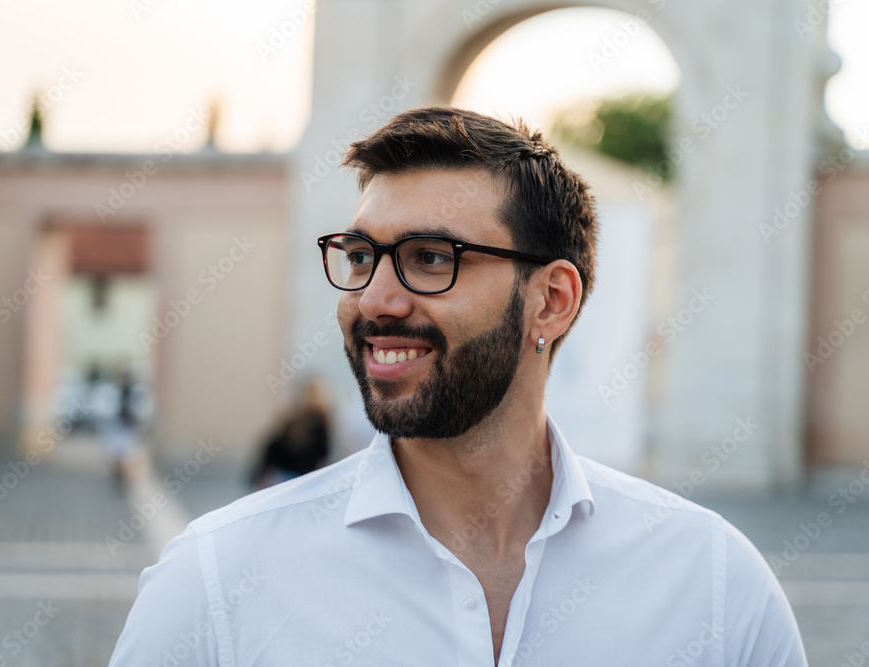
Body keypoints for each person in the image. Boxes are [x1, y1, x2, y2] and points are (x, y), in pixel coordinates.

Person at [110, 108, 807, 666]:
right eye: (359, 256)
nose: (375, 300)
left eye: (430, 258)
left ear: (552, 300)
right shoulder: (216, 579)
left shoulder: (712, 583)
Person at [248, 379, 330, 489]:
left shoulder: (312, 421)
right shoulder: (296, 421)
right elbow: (273, 448)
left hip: (295, 475)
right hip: (296, 475)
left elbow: (272, 449)